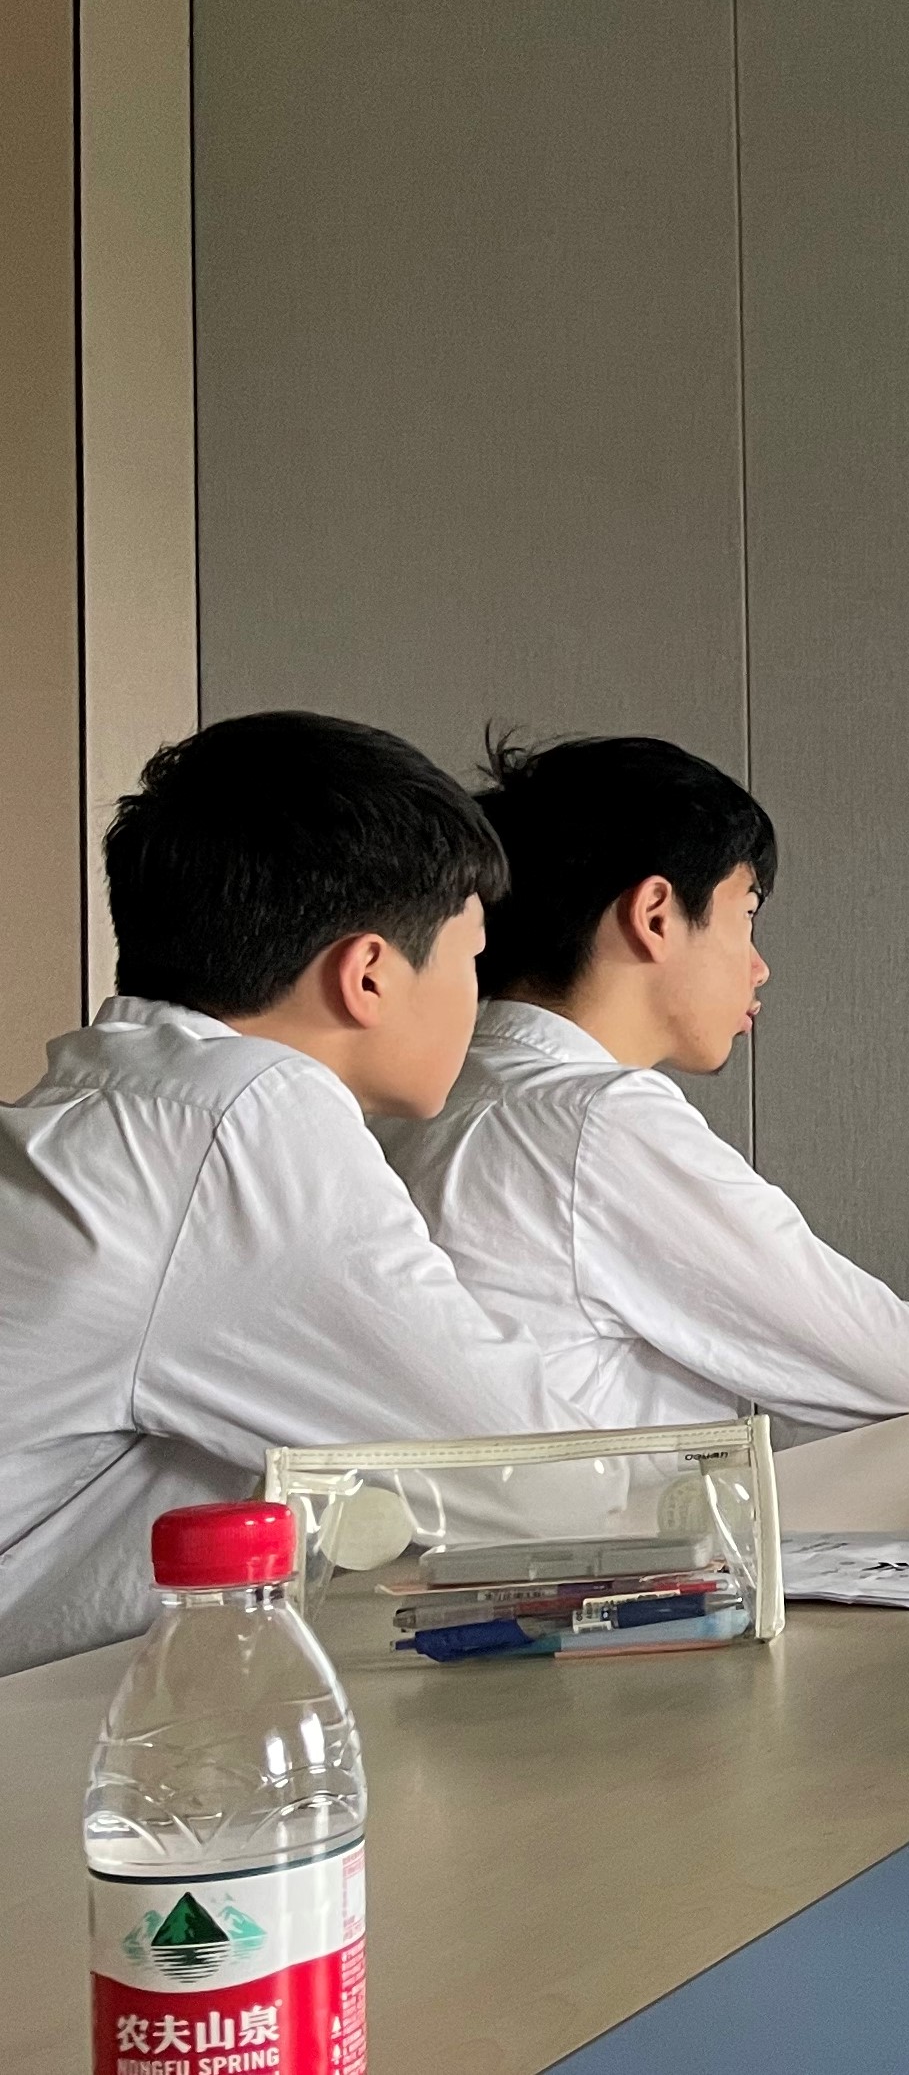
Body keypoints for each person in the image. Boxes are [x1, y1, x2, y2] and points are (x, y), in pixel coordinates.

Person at [0, 712, 585, 1674]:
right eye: (472, 957)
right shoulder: (243, 1119)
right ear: (368, 975)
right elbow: (542, 1480)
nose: (479, 999)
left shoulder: (116, 1104)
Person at [379, 734, 909, 1430]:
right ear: (655, 916)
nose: (759, 967)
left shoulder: (425, 1101)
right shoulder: (597, 1122)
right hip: (621, 1504)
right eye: (745, 917)